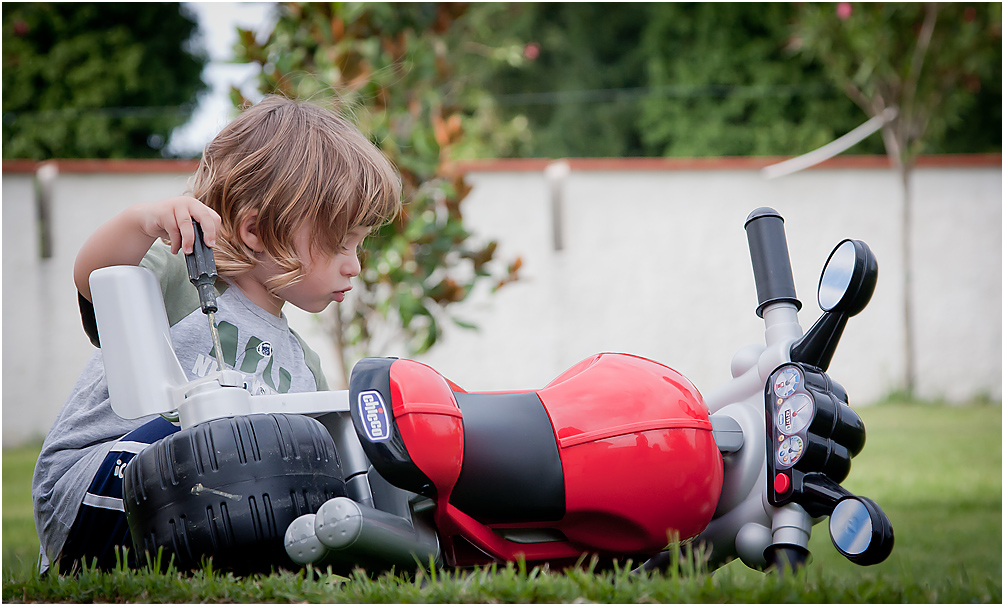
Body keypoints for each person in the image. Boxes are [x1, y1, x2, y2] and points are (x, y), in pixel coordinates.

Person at [31, 95, 402, 574]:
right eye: (341, 242)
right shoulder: (179, 279)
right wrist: (142, 221)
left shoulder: (302, 363)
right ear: (254, 229)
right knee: (210, 428)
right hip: (94, 488)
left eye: (360, 244)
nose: (354, 265)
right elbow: (94, 277)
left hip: (202, 511)